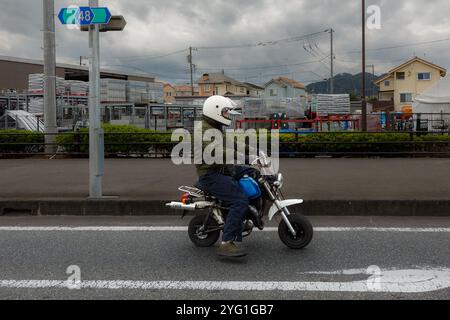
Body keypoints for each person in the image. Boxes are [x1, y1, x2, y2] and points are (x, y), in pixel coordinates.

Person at [195, 95, 255, 258]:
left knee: (255, 173)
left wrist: (251, 150)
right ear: (216, 111)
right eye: (226, 112)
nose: (228, 115)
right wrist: (243, 157)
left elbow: (231, 144)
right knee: (239, 200)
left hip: (222, 169)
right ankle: (227, 242)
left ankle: (249, 216)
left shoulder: (214, 127)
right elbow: (216, 152)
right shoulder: (203, 130)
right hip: (210, 174)